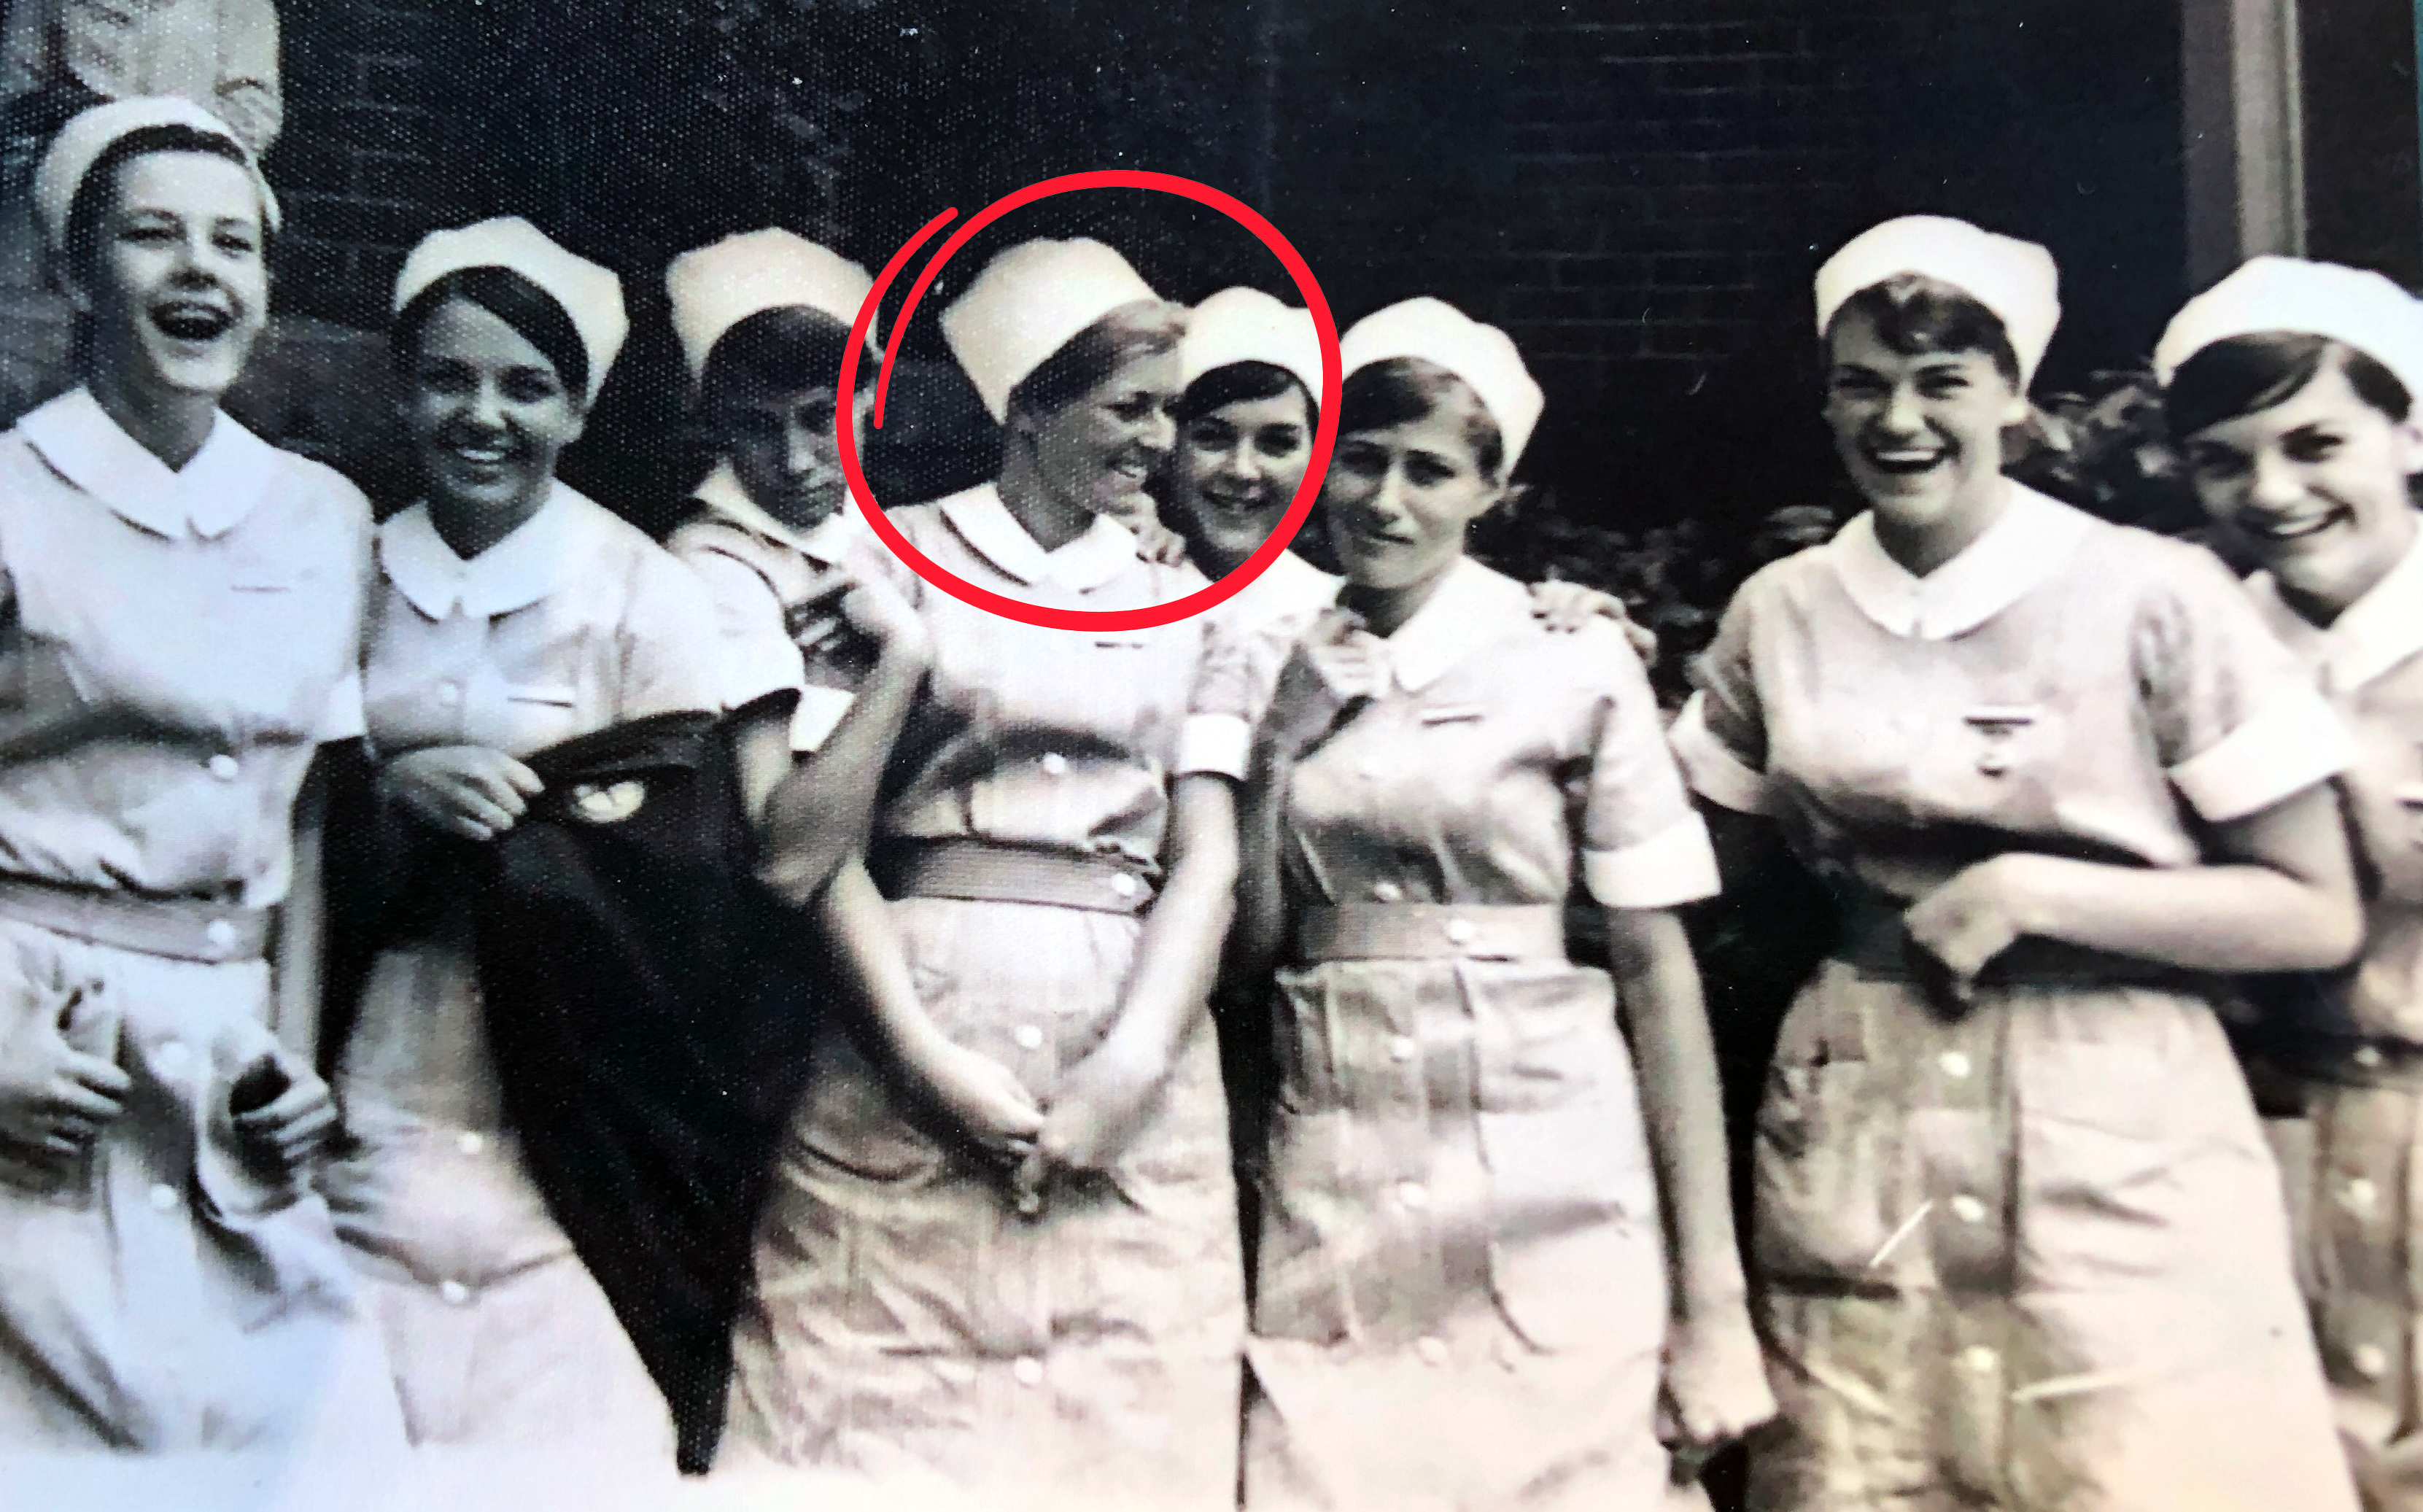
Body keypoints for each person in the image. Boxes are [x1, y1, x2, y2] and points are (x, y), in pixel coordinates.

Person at [1670, 214, 2363, 1510]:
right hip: (1858, 1119)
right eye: (1862, 383)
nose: (1899, 419)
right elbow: (1694, 875)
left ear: (2013, 398)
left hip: (2117, 1099)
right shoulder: (1784, 609)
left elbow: (2313, 908)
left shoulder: (2149, 594)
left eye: (1942, 381)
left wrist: (2038, 890)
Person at [1178, 296, 1769, 1511]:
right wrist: (1281, 741)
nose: (1384, 500)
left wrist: (1710, 1301)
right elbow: (1240, 958)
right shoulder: (1262, 646)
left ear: (1492, 490)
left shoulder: (1568, 653)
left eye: (1429, 471)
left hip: (1549, 1159)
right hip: (1338, 1162)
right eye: (1361, 457)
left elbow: (1658, 971)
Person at [721, 238, 1245, 1508]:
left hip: (1130, 1050)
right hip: (901, 1037)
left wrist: (1130, 1066)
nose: (1160, 442)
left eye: (1169, 409)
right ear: (1027, 402)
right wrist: (917, 1056)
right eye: (1133, 408)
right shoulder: (883, 560)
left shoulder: (1189, 600)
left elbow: (1206, 855)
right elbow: (810, 847)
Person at [0, 96, 398, 1451]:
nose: (199, 272)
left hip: (232, 1082)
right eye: (152, 236)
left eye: (233, 244)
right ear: (71, 273)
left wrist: (293, 1049)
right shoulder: (10, 497)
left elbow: (305, 817)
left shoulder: (323, 517)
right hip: (41, 1065)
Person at [319, 216, 719, 1451]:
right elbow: (288, 812)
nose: (482, 416)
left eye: (524, 386)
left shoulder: (643, 593)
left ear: (580, 412)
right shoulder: (347, 570)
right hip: (379, 1045)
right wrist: (394, 797)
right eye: (448, 378)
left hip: (566, 1076)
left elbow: (686, 868)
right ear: (403, 392)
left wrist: (527, 833)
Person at [2154, 256, 2423, 1510]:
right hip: (2238, 1137)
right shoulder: (2176, 636)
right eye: (2222, 460)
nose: (2270, 492)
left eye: (2315, 443)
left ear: (2408, 430)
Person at [661, 228, 931, 896]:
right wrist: (902, 658)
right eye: (757, 426)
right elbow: (790, 863)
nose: (795, 461)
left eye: (821, 418)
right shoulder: (712, 562)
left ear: (868, 398)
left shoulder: (891, 534)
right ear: (715, 422)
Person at [1, 0, 279, 285]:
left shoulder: (243, 6)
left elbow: (254, 111)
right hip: (61, 173)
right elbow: (17, 93)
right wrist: (83, 127)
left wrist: (154, 140)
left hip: (187, 179)